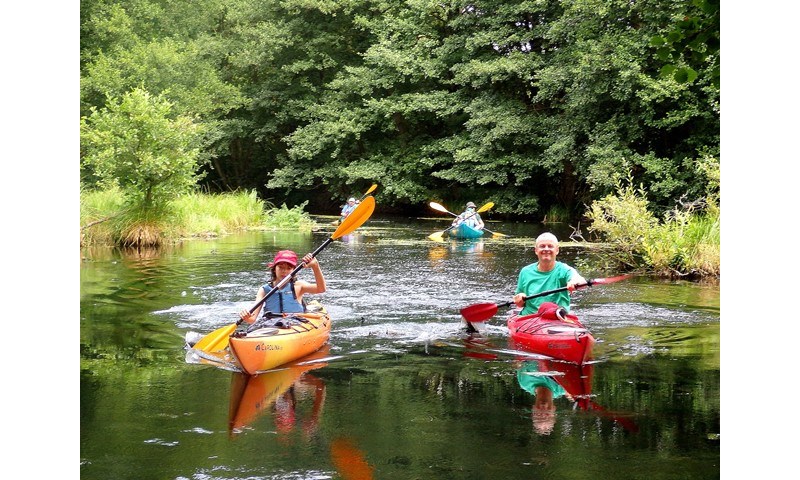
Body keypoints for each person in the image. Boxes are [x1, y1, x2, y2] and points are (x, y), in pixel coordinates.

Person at [239, 250, 326, 327]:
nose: (284, 271)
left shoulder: (298, 286)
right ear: (274, 269)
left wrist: (315, 266)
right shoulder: (264, 290)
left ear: (293, 270)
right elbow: (252, 319)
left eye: (289, 268)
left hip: (295, 324)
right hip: (271, 324)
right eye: (280, 267)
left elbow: (321, 289)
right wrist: (246, 317)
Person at [513, 232, 586, 315]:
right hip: (530, 317)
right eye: (542, 246)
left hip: (557, 316)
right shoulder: (525, 272)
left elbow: (580, 280)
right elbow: (519, 303)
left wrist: (574, 282)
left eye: (550, 246)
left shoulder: (564, 269)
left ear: (557, 250)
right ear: (536, 250)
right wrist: (520, 298)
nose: (546, 249)